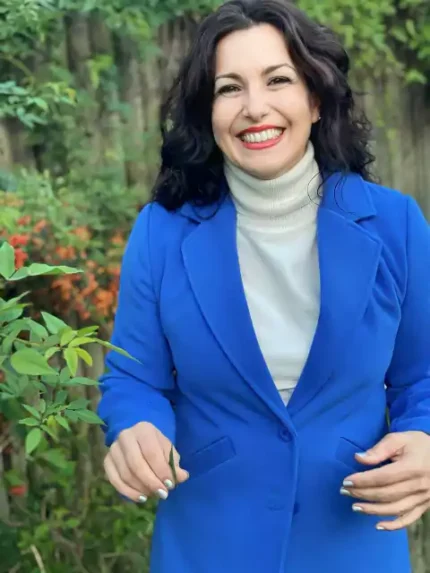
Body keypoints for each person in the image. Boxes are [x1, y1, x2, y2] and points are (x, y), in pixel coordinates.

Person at [97, 1, 430, 571]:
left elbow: (422, 375)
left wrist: (423, 435)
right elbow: (134, 378)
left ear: (316, 99)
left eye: (278, 80)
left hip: (354, 538)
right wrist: (135, 425)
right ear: (208, 112)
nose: (255, 107)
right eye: (229, 88)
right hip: (208, 541)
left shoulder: (396, 224)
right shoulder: (161, 232)